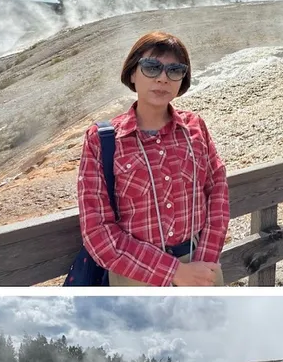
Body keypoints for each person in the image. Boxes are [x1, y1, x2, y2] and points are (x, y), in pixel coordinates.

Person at [77, 31, 230, 287]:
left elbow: (218, 193)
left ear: (183, 79)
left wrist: (203, 262)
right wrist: (175, 273)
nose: (162, 78)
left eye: (174, 70)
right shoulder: (102, 139)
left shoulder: (195, 126)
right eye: (151, 67)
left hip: (201, 268)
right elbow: (97, 231)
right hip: (136, 276)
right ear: (132, 73)